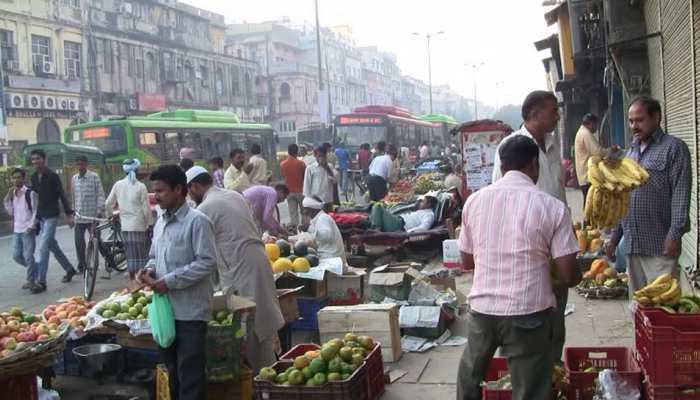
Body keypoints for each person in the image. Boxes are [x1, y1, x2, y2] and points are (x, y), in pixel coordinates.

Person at [456, 135, 581, 400]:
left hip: (483, 311)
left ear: (502, 166)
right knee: (531, 389)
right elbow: (570, 275)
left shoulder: (474, 202)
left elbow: (466, 262)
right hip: (529, 312)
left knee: (470, 374)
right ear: (534, 165)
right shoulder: (552, 207)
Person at [491, 90, 569, 363]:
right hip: (526, 245)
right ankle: (517, 375)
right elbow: (501, 196)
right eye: (552, 110)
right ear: (535, 113)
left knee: (556, 314)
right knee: (524, 317)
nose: (557, 115)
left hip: (556, 242)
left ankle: (553, 370)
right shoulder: (511, 147)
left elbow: (557, 189)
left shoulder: (552, 143)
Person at [186, 167, 284, 373]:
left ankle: (259, 379)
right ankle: (269, 373)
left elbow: (202, 252)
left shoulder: (205, 208)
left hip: (241, 267)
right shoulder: (233, 195)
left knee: (249, 325)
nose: (190, 197)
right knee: (262, 322)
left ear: (195, 186)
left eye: (189, 191)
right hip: (259, 260)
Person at [136, 165, 217, 400]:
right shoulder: (160, 221)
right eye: (154, 191)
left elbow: (207, 262)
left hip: (191, 313)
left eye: (160, 191)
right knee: (172, 372)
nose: (155, 196)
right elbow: (154, 256)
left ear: (179, 189)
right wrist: (148, 271)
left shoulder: (197, 222)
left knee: (190, 374)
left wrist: (168, 281)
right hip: (166, 312)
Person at [605, 96, 691, 294]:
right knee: (638, 308)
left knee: (661, 306)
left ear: (656, 117)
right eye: (631, 121)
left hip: (660, 246)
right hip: (633, 246)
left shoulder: (673, 148)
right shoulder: (630, 154)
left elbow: (681, 194)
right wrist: (614, 238)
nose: (634, 126)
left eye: (640, 120)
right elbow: (623, 200)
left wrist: (674, 235)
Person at [30, 149, 77, 294]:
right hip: (42, 216)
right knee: (51, 246)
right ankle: (69, 269)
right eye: (33, 159)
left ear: (44, 159)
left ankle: (41, 282)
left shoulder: (52, 176)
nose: (35, 161)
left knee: (44, 247)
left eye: (38, 158)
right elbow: (34, 198)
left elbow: (61, 195)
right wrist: (34, 218)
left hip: (52, 216)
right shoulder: (33, 177)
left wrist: (69, 214)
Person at [105, 159, 154, 279]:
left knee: (131, 255)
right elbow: (146, 209)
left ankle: (133, 281)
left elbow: (108, 204)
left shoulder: (118, 185)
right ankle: (144, 282)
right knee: (143, 256)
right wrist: (151, 224)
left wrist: (111, 216)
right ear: (136, 170)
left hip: (126, 227)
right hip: (140, 226)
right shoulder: (140, 186)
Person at [4, 168, 38, 290]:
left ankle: (31, 280)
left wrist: (31, 226)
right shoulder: (12, 194)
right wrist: (7, 198)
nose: (16, 180)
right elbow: (10, 211)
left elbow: (35, 211)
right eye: (14, 178)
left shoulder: (30, 193)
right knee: (17, 256)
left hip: (28, 229)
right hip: (17, 229)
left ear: (23, 179)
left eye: (19, 177)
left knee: (28, 256)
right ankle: (35, 268)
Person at [71, 155, 105, 273]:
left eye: (82, 164)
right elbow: (73, 197)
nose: (80, 166)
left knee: (97, 242)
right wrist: (72, 212)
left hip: (92, 217)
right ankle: (82, 265)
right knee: (79, 241)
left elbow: (100, 194)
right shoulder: (74, 179)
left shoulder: (94, 177)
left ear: (86, 164)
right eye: (78, 164)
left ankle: (108, 259)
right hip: (79, 217)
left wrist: (99, 210)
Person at [302, 196, 347, 263]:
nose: (304, 212)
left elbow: (327, 236)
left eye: (305, 209)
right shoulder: (317, 219)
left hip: (332, 259)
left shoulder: (323, 218)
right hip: (328, 256)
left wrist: (308, 228)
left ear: (312, 209)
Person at [574, 113, 604, 208]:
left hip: (583, 175)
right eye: (595, 125)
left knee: (588, 204)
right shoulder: (585, 133)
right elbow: (597, 151)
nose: (596, 128)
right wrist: (609, 151)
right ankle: (588, 222)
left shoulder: (581, 132)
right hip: (588, 176)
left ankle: (587, 222)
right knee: (591, 205)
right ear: (590, 123)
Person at [370, 195, 437, 233]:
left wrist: (407, 232)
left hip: (399, 224)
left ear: (429, 204)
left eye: (423, 201)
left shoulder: (429, 215)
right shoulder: (422, 211)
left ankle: (376, 230)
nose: (420, 202)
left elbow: (424, 228)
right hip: (397, 220)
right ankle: (372, 226)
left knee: (377, 206)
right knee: (373, 209)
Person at [280, 144, 306, 228]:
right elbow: (304, 177)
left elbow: (283, 176)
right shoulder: (301, 164)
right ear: (297, 151)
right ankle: (305, 229)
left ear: (288, 152)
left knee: (293, 212)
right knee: (304, 212)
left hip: (289, 192)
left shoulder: (282, 164)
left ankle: (294, 229)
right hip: (301, 191)